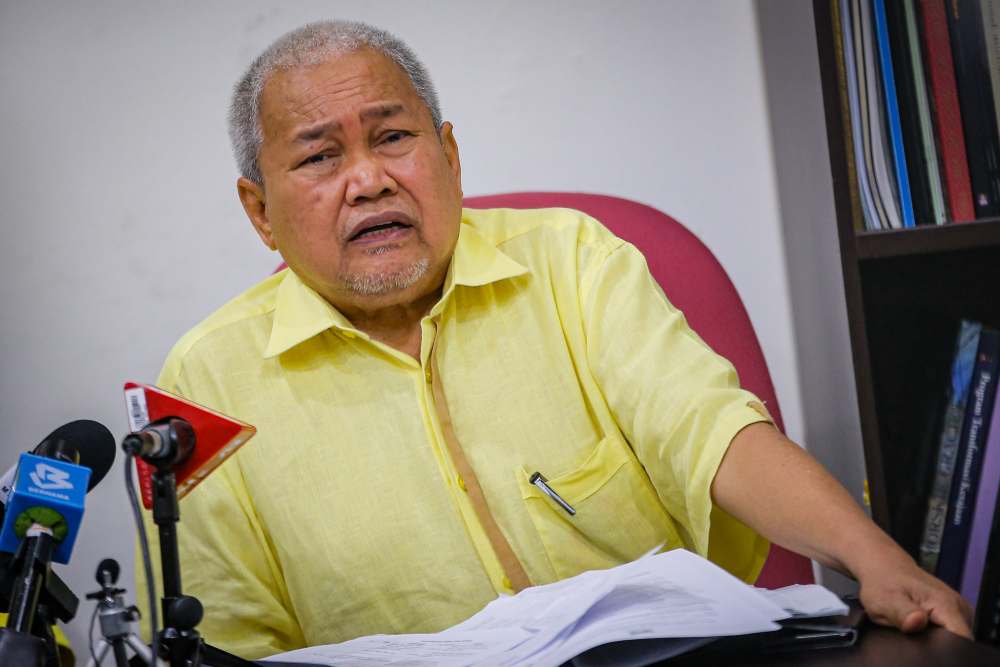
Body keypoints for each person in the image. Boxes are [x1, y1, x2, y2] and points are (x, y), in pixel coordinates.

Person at [141, 19, 972, 660]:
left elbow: (707, 429)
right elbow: (224, 636)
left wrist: (874, 555)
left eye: (394, 137)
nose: (369, 179)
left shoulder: (573, 259)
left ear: (449, 153)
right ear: (260, 211)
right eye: (320, 156)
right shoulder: (207, 379)